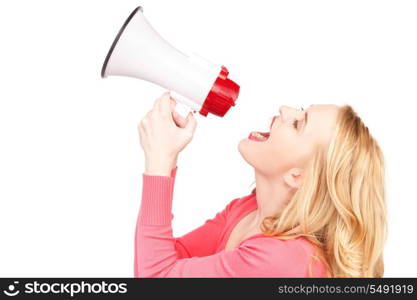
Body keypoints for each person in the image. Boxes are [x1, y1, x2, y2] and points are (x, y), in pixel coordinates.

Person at [134, 92, 387, 277]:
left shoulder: (282, 259)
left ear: (298, 176)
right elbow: (163, 262)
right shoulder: (245, 211)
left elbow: (153, 276)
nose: (285, 109)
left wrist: (160, 161)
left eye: (298, 124)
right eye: (300, 109)